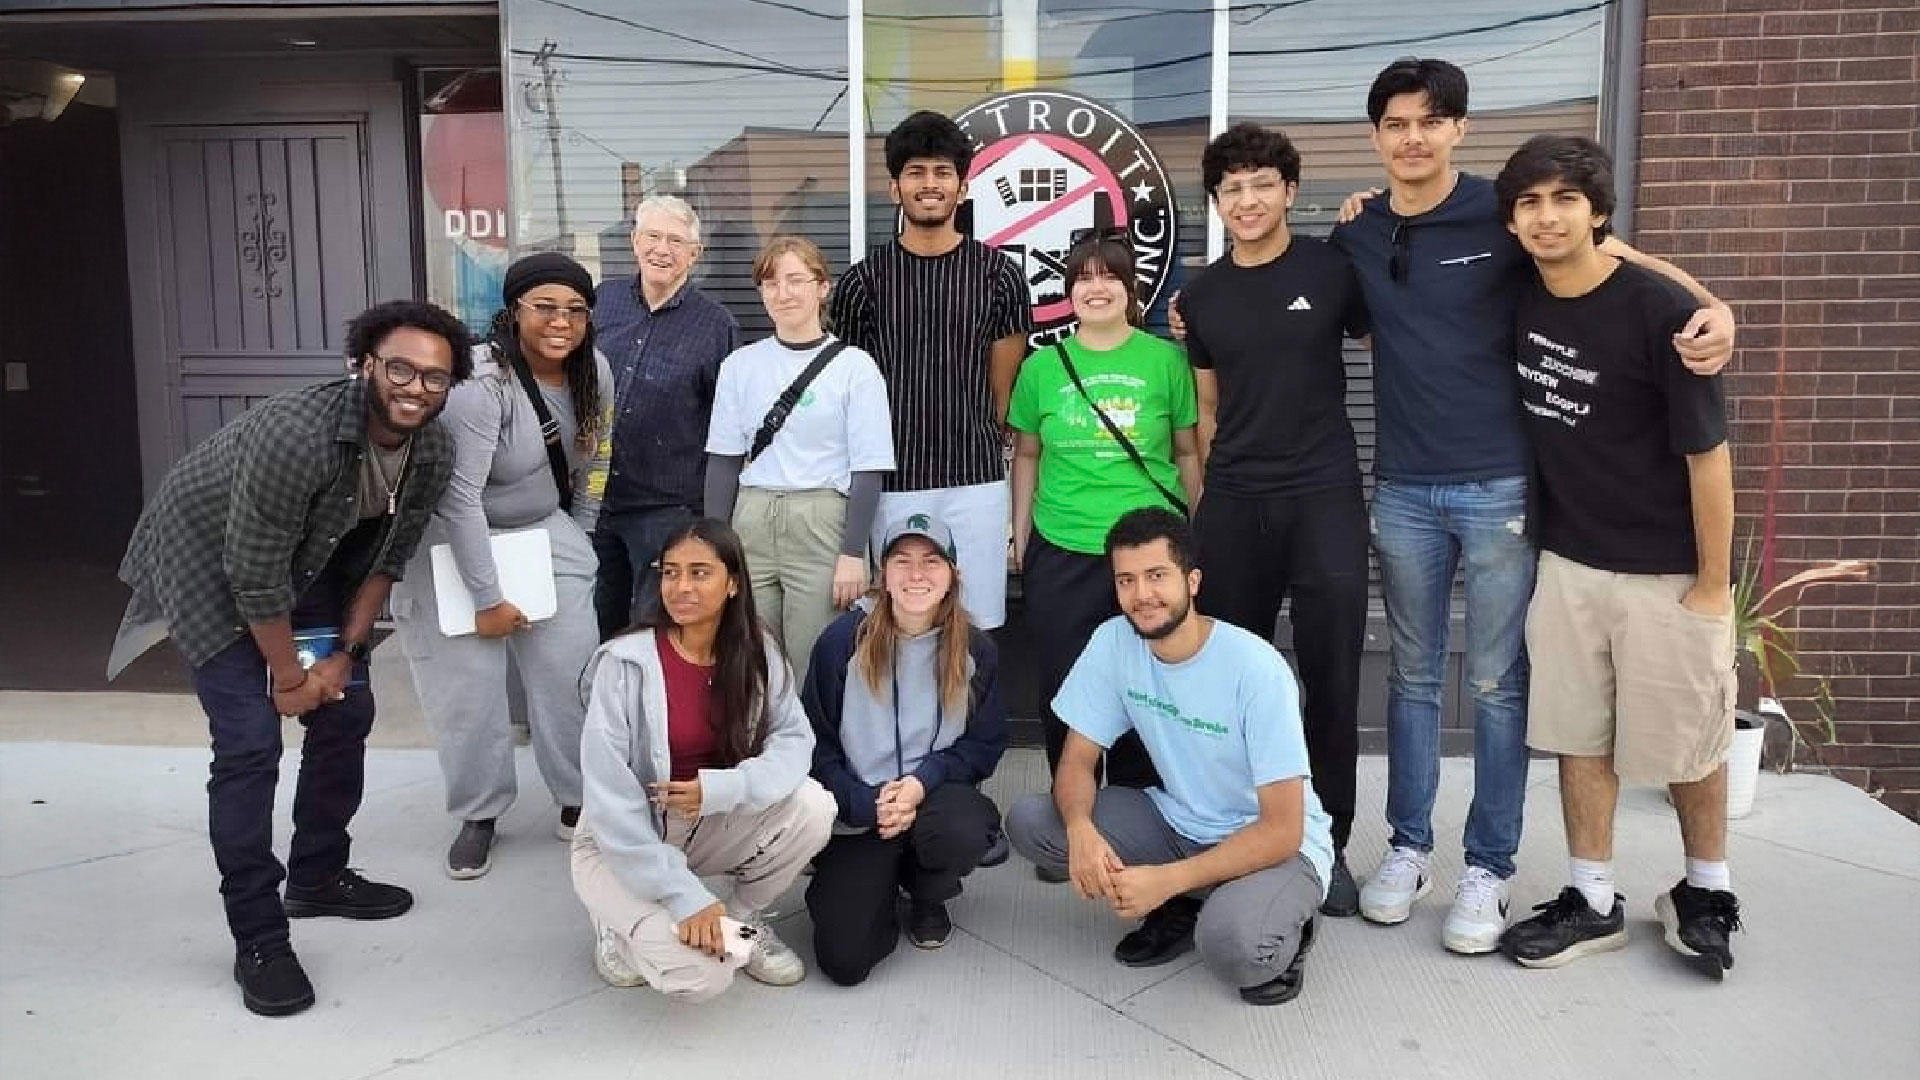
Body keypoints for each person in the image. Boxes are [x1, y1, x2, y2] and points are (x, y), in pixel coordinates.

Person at [1326, 58, 1736, 953]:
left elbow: (1616, 258)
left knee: (1495, 681)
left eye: (1430, 121)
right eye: (1396, 123)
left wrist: (1714, 308)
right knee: (1412, 674)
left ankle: (1489, 865)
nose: (1413, 138)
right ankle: (1408, 848)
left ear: (1459, 129)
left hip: (1500, 485)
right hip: (1403, 485)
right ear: (1376, 137)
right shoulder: (1359, 230)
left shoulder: (1506, 211)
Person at [108, 300, 471, 1017]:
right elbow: (252, 575)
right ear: (364, 365)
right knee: (249, 745)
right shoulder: (296, 435)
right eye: (400, 369)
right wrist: (289, 676)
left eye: (436, 377)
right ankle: (260, 939)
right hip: (207, 565)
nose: (416, 388)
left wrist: (345, 656)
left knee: (349, 709)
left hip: (312, 560)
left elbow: (386, 560)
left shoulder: (432, 448)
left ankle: (318, 876)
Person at [1492, 135, 1741, 978]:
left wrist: (1713, 586)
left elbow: (1709, 459)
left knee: (1691, 745)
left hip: (1668, 571)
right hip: (1569, 561)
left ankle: (1705, 890)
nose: (1547, 217)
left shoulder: (1662, 314)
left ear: (1598, 211)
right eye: (1530, 203)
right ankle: (1592, 899)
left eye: (1566, 200)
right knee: (1579, 737)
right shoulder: (1521, 291)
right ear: (1513, 221)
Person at [1006, 508, 1336, 1007]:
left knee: (1234, 948)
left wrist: (1166, 881)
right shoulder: (1114, 642)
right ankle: (1192, 898)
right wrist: (1080, 829)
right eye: (1127, 580)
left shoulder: (1255, 669)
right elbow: (1076, 760)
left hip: (1273, 844)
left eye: (1157, 575)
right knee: (1034, 823)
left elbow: (1283, 829)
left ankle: (1287, 919)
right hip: (1179, 821)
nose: (1142, 594)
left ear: (1192, 581)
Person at [1174, 124, 1371, 918]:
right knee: (1228, 681)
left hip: (1323, 495)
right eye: (1232, 189)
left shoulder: (1333, 270)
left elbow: (1397, 332)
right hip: (1235, 501)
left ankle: (1328, 842)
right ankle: (1234, 833)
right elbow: (1208, 407)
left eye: (1262, 184)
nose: (1248, 201)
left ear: (1290, 191)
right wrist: (1210, 501)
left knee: (1332, 677)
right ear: (1217, 203)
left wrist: (1373, 215)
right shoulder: (1201, 297)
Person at [392, 253, 613, 879]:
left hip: (544, 530)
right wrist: (487, 599)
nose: (561, 322)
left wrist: (580, 532)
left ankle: (577, 798)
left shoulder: (594, 370)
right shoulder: (482, 383)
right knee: (469, 690)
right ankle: (480, 812)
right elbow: (459, 498)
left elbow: (597, 457)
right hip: (456, 540)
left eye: (575, 310)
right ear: (514, 311)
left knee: (571, 676)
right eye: (545, 307)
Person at [570, 519, 836, 1000]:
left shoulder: (757, 652)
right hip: (622, 839)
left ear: (732, 583)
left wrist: (726, 788)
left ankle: (742, 921)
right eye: (671, 573)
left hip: (707, 820)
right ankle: (617, 925)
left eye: (699, 572)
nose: (681, 587)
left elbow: (794, 739)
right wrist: (686, 897)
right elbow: (610, 800)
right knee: (704, 976)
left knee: (815, 807)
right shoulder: (623, 664)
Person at [1011, 230, 1198, 805]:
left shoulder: (1166, 360)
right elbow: (1026, 454)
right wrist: (1020, 537)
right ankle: (1074, 809)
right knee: (1065, 683)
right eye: (1084, 278)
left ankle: (1140, 808)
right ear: (1068, 292)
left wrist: (1197, 534)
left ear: (1131, 289)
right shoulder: (1041, 367)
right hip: (1063, 544)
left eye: (1110, 276)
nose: (1097, 288)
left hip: (1148, 550)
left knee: (1151, 680)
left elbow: (1188, 452)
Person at [830, 110, 1032, 631]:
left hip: (976, 479)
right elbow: (852, 390)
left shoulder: (1000, 276)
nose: (929, 184)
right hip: (890, 481)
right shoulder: (862, 283)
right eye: (915, 172)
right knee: (896, 627)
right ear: (894, 187)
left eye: (943, 172)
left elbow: (1002, 390)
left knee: (975, 626)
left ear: (962, 188)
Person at [802, 513, 1009, 984]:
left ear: (953, 574)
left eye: (931, 561)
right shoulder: (841, 642)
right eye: (902, 560)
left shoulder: (975, 648)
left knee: (963, 827)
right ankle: (874, 886)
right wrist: (864, 802)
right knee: (844, 962)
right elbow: (816, 746)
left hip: (931, 799)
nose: (917, 574)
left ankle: (927, 892)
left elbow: (985, 744)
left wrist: (922, 781)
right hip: (862, 806)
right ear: (883, 573)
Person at [705, 236, 895, 683]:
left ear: (822, 287)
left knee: (815, 658)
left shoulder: (855, 367)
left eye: (796, 280)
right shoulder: (740, 365)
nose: (783, 293)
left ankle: (813, 733)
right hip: (751, 516)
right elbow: (723, 461)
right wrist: (715, 545)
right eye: (770, 283)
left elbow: (868, 469)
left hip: (820, 519)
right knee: (750, 656)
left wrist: (853, 553)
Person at [591, 194, 741, 639]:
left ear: (695, 254)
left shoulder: (716, 325)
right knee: (593, 627)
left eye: (676, 241)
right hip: (593, 500)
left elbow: (728, 427)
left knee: (656, 629)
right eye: (653, 236)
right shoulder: (602, 301)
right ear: (635, 242)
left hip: (666, 510)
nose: (662, 249)